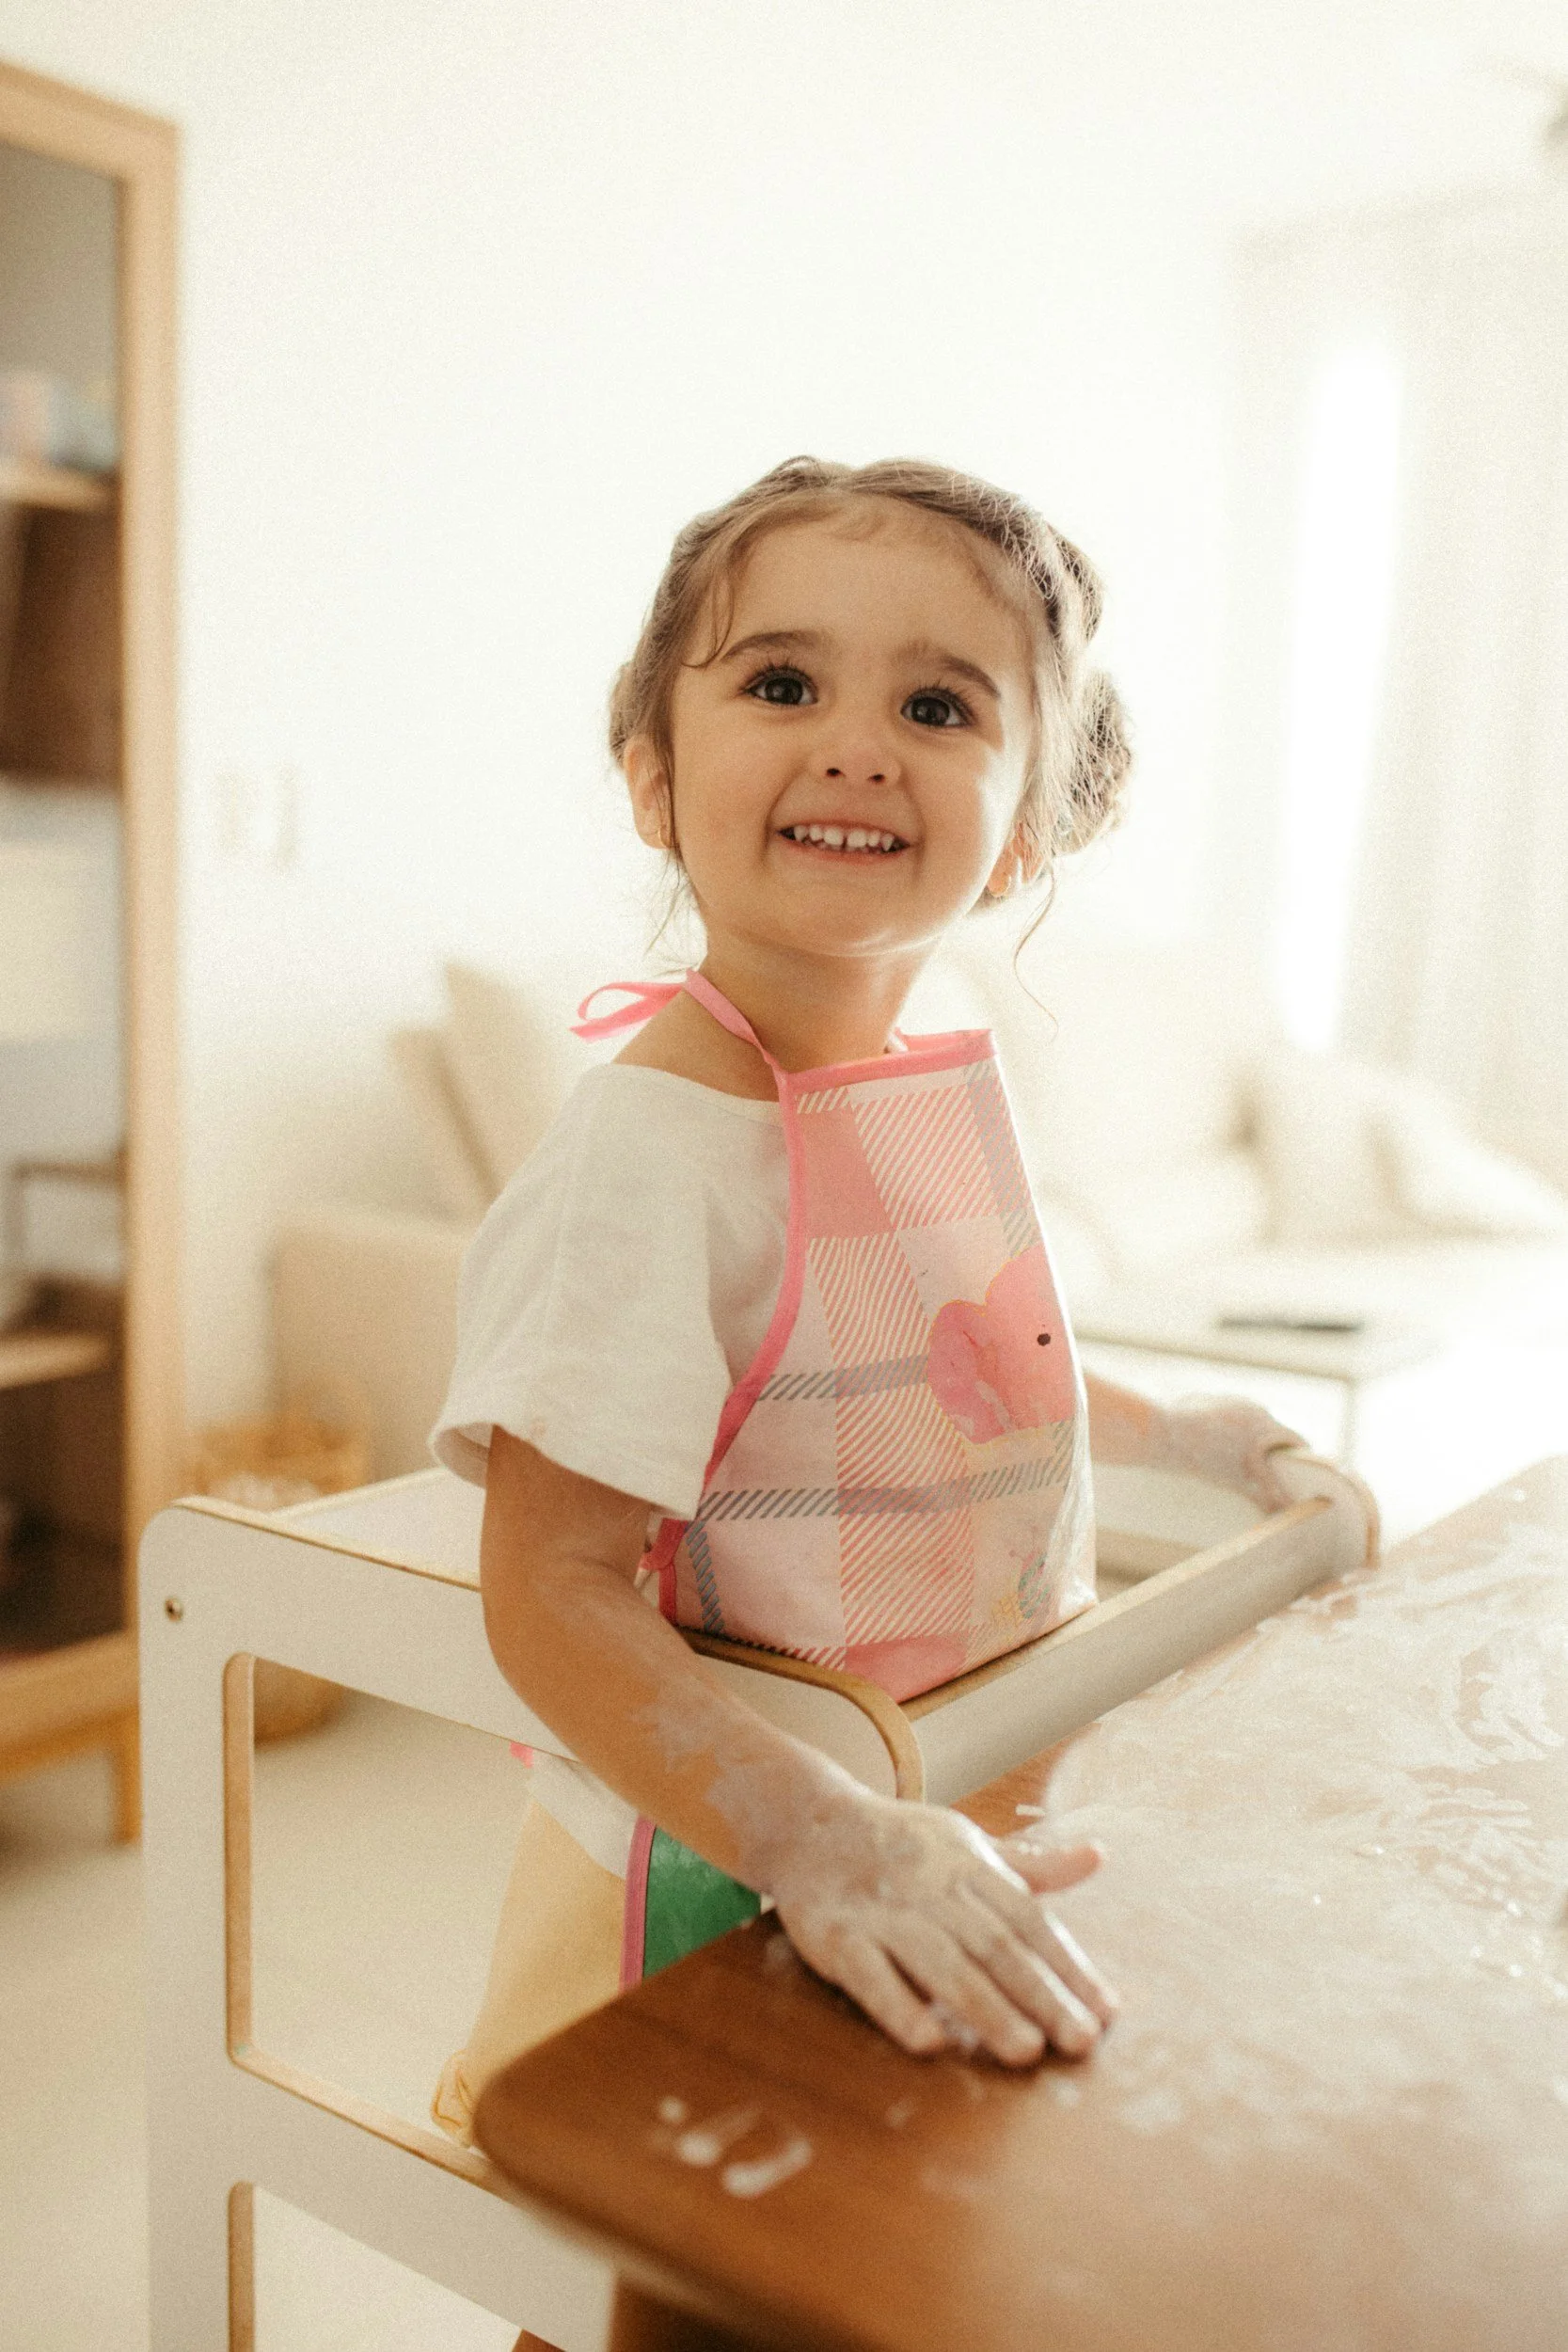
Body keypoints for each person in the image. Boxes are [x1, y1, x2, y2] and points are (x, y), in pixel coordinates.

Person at [430, 456, 1302, 2161]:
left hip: (947, 1797)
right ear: (649, 775)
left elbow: (964, 1369)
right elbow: (545, 1588)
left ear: (1028, 827)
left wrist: (1181, 1435)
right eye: (780, 682)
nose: (855, 741)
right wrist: (815, 1837)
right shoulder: (649, 1155)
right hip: (709, 1871)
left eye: (936, 702)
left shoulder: (920, 1103)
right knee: (634, 2272)